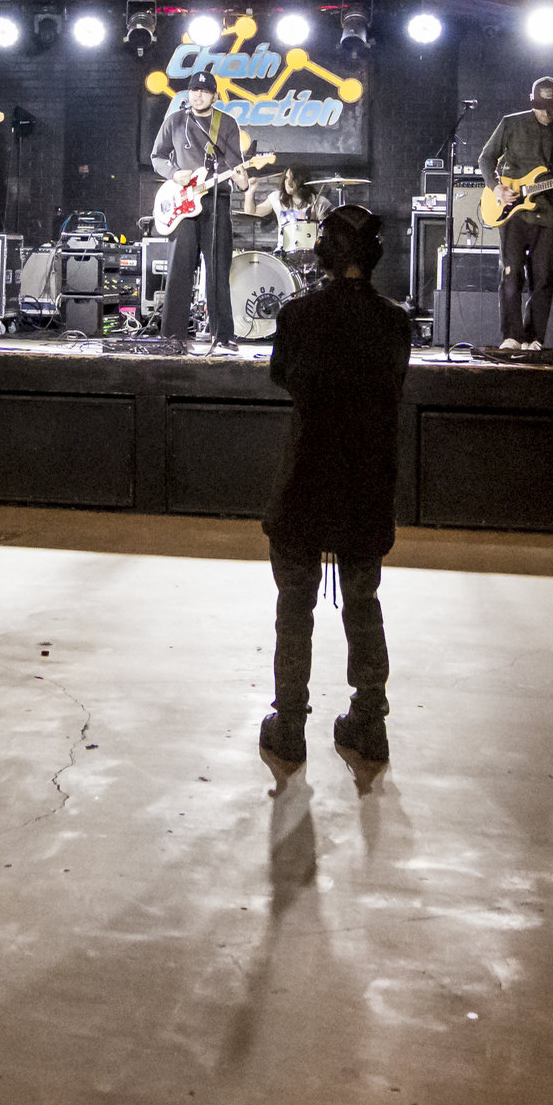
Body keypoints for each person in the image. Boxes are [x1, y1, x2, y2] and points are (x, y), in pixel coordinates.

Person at [261, 202, 412, 769]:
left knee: (294, 604)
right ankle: (369, 722)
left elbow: (283, 376)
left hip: (306, 477)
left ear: (324, 253)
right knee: (363, 601)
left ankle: (289, 725)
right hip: (367, 482)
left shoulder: (298, 316)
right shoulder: (395, 322)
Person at [476, 75, 553, 350]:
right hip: (513, 212)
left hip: (548, 214)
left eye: (551, 107)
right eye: (539, 107)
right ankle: (511, 337)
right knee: (511, 275)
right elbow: (486, 158)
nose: (545, 113)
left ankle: (533, 338)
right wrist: (497, 188)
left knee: (544, 278)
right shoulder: (510, 124)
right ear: (530, 101)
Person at [147, 74, 251, 348]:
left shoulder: (226, 123)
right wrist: (174, 173)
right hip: (183, 204)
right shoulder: (175, 121)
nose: (198, 95)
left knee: (218, 270)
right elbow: (157, 157)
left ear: (215, 96)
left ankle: (223, 335)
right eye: (194, 90)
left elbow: (235, 165)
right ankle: (173, 335)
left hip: (216, 202)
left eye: (205, 91)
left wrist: (242, 181)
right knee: (179, 269)